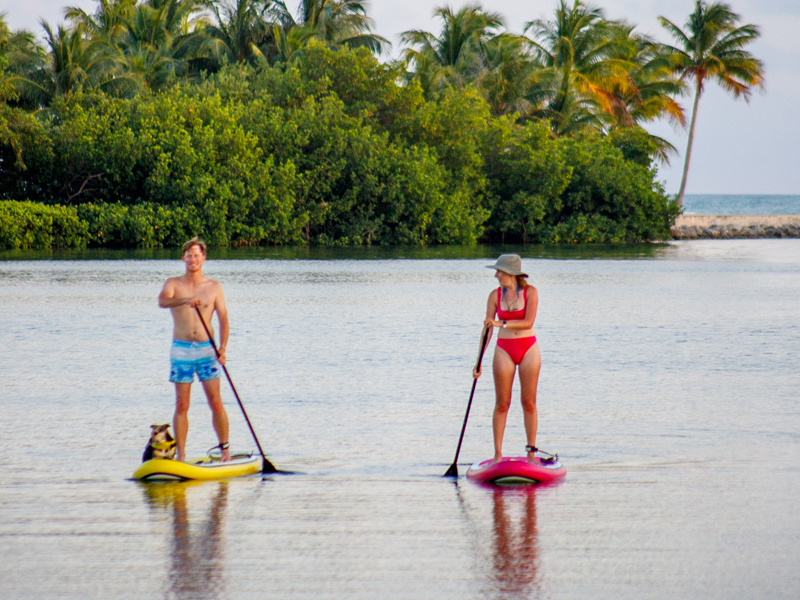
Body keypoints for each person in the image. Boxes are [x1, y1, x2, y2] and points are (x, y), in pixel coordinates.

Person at [158, 237, 231, 462]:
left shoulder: (214, 287)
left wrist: (222, 348)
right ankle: (181, 456)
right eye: (189, 255)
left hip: (207, 350)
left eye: (197, 255)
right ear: (183, 258)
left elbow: (224, 319)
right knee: (182, 404)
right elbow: (162, 301)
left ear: (203, 258)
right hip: (181, 350)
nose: (193, 259)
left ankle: (225, 451)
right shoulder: (173, 283)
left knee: (216, 401)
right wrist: (185, 299)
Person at [473, 254, 541, 463]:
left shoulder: (531, 292)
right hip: (504, 349)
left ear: (510, 273)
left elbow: (528, 322)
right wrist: (478, 362)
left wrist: (500, 323)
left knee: (528, 402)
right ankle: (498, 455)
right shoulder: (494, 296)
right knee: (502, 403)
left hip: (528, 348)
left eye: (499, 272)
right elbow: (487, 331)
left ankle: (530, 453)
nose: (496, 275)